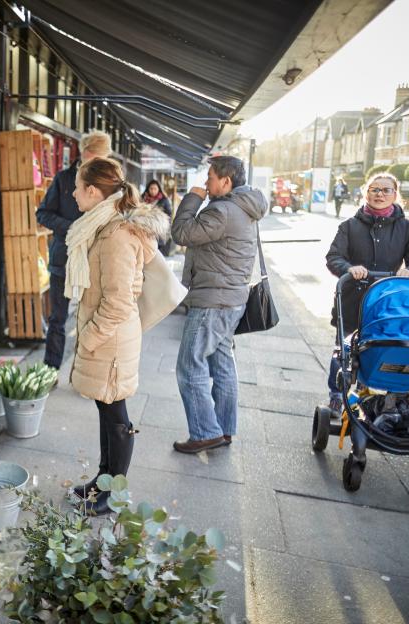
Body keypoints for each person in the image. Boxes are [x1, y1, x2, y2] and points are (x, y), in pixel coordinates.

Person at [67, 157, 168, 515]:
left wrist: (89, 338)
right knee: (106, 410)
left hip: (110, 341)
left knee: (116, 416)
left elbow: (119, 301)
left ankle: (113, 493)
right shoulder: (105, 226)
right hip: (110, 338)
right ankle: (102, 480)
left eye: (79, 187)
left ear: (94, 192)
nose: (74, 193)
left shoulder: (116, 236)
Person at [170, 156, 268, 453]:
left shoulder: (223, 211)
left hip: (213, 300)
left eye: (210, 177)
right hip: (230, 299)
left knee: (190, 366)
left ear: (226, 182)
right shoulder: (243, 207)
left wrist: (192, 199)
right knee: (221, 363)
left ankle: (204, 433)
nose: (206, 183)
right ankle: (223, 429)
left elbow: (182, 233)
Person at [324, 172, 409, 413]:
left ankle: (368, 394)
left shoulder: (406, 227)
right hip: (352, 300)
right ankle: (336, 395)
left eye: (386, 190)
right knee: (344, 350)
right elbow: (333, 257)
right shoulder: (349, 226)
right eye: (374, 189)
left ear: (395, 194)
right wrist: (349, 268)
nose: (380, 194)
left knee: (379, 349)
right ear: (365, 192)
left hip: (386, 302)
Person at [37, 130, 112, 371]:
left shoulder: (109, 183)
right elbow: (43, 214)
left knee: (92, 318)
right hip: (63, 259)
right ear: (83, 153)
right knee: (57, 319)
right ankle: (50, 370)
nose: (93, 163)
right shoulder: (63, 179)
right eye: (91, 157)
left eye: (99, 159)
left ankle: (86, 371)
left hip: (96, 260)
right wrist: (73, 228)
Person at [143, 179, 174, 256]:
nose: (153, 191)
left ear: (159, 189)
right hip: (145, 228)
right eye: (151, 189)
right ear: (148, 189)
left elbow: (169, 215)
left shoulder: (164, 200)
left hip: (159, 230)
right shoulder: (142, 199)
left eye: (155, 189)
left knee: (157, 253)